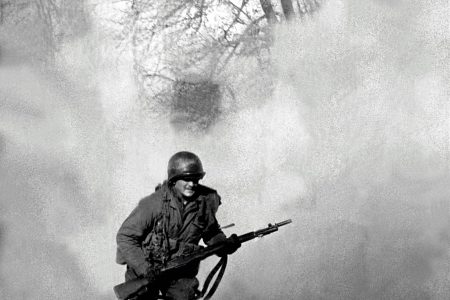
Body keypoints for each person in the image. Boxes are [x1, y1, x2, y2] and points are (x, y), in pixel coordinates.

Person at [116, 151, 241, 300]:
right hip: (148, 267)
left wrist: (224, 244)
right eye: (187, 179)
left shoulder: (202, 205)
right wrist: (145, 269)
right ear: (174, 180)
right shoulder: (154, 203)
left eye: (196, 179)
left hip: (180, 270)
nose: (192, 184)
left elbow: (211, 233)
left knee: (185, 295)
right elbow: (125, 236)